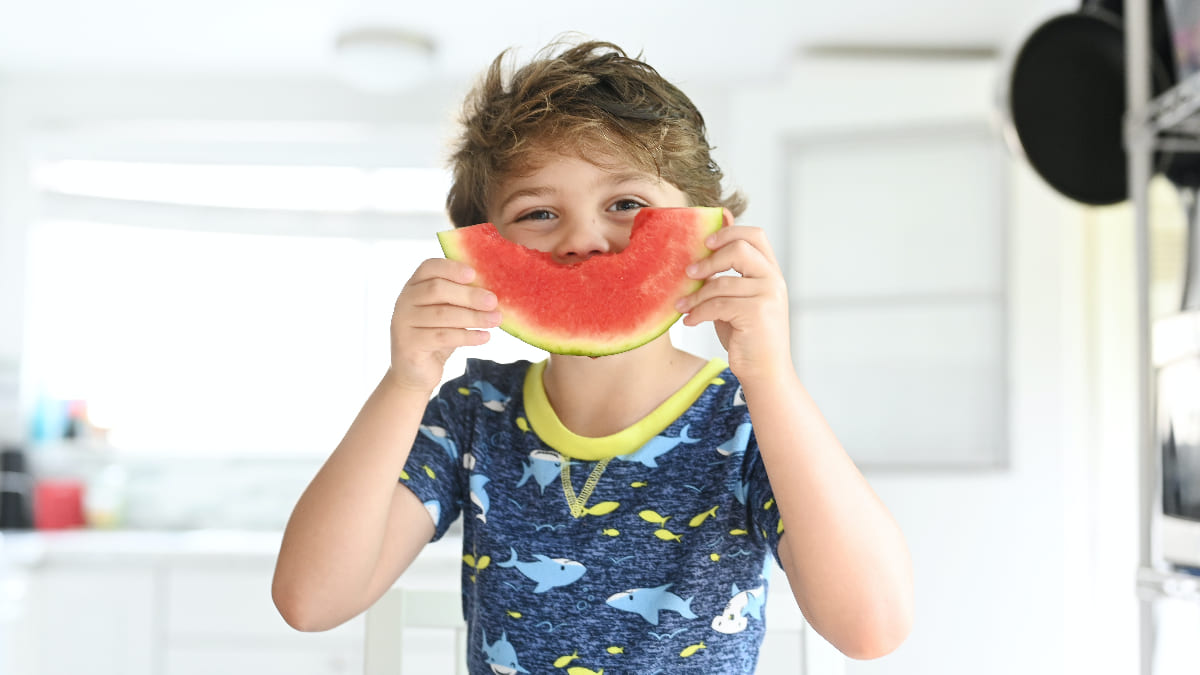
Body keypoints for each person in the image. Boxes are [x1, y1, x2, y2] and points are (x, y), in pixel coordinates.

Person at [272, 38, 913, 673]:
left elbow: (871, 627)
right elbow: (311, 600)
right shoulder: (475, 413)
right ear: (482, 249)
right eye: (539, 212)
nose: (583, 238)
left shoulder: (747, 422)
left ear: (707, 228)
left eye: (627, 204)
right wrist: (406, 381)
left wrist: (772, 377)